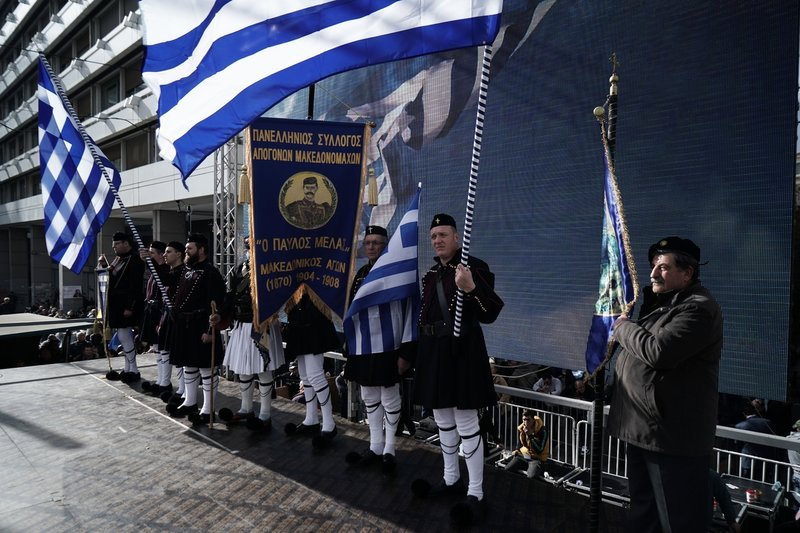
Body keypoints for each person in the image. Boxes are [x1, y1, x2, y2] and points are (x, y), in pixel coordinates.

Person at [607, 236, 722, 533]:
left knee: (678, 521)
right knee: (644, 517)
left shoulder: (699, 308)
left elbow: (658, 352)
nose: (654, 273)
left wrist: (621, 327)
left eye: (664, 267)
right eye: (654, 266)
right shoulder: (660, 306)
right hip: (643, 430)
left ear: (688, 272)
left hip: (672, 439)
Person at [410, 213, 504, 527]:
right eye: (434, 236)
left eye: (443, 235)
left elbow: (491, 312)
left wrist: (472, 287)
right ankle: (451, 479)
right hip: (434, 351)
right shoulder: (432, 274)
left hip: (462, 352)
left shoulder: (473, 267)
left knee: (466, 421)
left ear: (456, 237)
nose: (437, 240)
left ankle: (476, 491)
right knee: (442, 419)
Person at [343, 225, 415, 475]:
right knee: (369, 397)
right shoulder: (361, 274)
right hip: (364, 346)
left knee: (389, 396)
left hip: (389, 345)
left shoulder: (399, 271)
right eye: (369, 242)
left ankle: (390, 449)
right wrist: (350, 346)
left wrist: (407, 351)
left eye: (377, 243)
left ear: (387, 245)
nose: (372, 246)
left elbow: (410, 312)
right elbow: (353, 312)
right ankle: (375, 446)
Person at [211, 238, 285, 431]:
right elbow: (230, 296)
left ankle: (266, 414)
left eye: (252, 246)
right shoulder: (238, 269)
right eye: (247, 246)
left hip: (262, 325)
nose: (249, 249)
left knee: (263, 369)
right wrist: (220, 314)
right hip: (241, 324)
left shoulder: (271, 268)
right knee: (244, 368)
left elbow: (280, 295)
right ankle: (246, 408)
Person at [165, 234, 226, 424]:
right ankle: (190, 402)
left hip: (202, 324)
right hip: (185, 325)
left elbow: (217, 302)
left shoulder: (210, 272)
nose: (186, 252)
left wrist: (210, 330)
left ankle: (208, 409)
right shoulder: (185, 270)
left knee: (206, 368)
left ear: (201, 250)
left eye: (189, 248)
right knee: (188, 365)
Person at [282, 290, 342, 448]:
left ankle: (329, 423)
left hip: (314, 324)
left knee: (315, 375)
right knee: (305, 375)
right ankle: (311, 419)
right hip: (298, 323)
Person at [101, 231, 145, 383]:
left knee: (125, 336)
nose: (114, 248)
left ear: (126, 243)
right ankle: (128, 367)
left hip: (126, 303)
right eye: (113, 245)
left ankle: (133, 368)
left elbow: (135, 285)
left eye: (117, 244)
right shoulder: (118, 259)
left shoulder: (135, 260)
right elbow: (113, 279)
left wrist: (130, 306)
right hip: (116, 303)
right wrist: (104, 266)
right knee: (122, 336)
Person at [155, 241, 186, 401]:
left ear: (179, 254)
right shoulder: (172, 270)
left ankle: (184, 389)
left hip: (180, 317)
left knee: (179, 353)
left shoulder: (182, 272)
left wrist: (153, 262)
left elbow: (167, 280)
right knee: (166, 350)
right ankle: (168, 382)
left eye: (169, 252)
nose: (165, 255)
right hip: (167, 315)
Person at [139, 241, 169, 392]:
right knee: (156, 347)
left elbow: (161, 278)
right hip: (151, 308)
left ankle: (165, 381)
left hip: (160, 310)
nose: (149, 256)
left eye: (152, 253)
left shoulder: (165, 270)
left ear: (160, 254)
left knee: (163, 348)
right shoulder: (153, 271)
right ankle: (160, 379)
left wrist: (149, 262)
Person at [735, 399, 776, 478]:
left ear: (743, 413)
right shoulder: (767, 422)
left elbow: (738, 444)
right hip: (766, 460)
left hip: (749, 461)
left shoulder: (740, 426)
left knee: (747, 483)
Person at [503, 410, 549, 479]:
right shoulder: (523, 428)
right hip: (524, 455)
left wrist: (530, 436)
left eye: (528, 420)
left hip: (537, 458)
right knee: (507, 469)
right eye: (524, 419)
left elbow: (539, 450)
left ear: (533, 420)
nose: (526, 422)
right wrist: (517, 450)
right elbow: (521, 442)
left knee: (531, 476)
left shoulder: (543, 430)